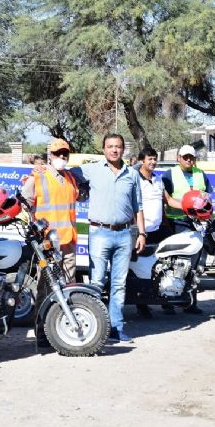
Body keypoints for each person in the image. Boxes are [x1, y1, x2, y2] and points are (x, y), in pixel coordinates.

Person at [75, 134, 146, 343]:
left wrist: (141, 233)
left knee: (118, 284)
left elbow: (138, 206)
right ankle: (95, 328)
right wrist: (44, 169)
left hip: (125, 234)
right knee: (97, 282)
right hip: (99, 233)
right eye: (110, 146)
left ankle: (116, 328)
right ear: (103, 149)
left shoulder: (132, 174)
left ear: (123, 150)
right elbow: (65, 174)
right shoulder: (92, 170)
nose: (114, 150)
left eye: (118, 147)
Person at [22, 138, 79, 346]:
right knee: (45, 290)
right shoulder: (38, 176)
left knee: (67, 288)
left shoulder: (72, 178)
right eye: (58, 154)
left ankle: (61, 332)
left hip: (68, 243)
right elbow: (24, 202)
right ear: (50, 156)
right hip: (47, 245)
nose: (62, 158)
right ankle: (42, 333)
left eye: (65, 154)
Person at [161, 144, 212, 313]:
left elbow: (208, 196)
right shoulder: (170, 174)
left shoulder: (200, 174)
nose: (189, 160)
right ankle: (168, 301)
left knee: (195, 265)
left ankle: (190, 302)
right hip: (177, 222)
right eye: (185, 157)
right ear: (178, 158)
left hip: (197, 224)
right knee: (175, 264)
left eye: (191, 157)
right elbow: (164, 198)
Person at [133, 146, 181, 318]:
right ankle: (141, 305)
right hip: (141, 232)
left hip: (159, 230)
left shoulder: (158, 179)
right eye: (149, 159)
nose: (153, 162)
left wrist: (188, 206)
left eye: (154, 159)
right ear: (141, 161)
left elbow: (168, 200)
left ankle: (167, 300)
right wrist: (139, 231)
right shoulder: (135, 179)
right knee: (142, 270)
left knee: (165, 265)